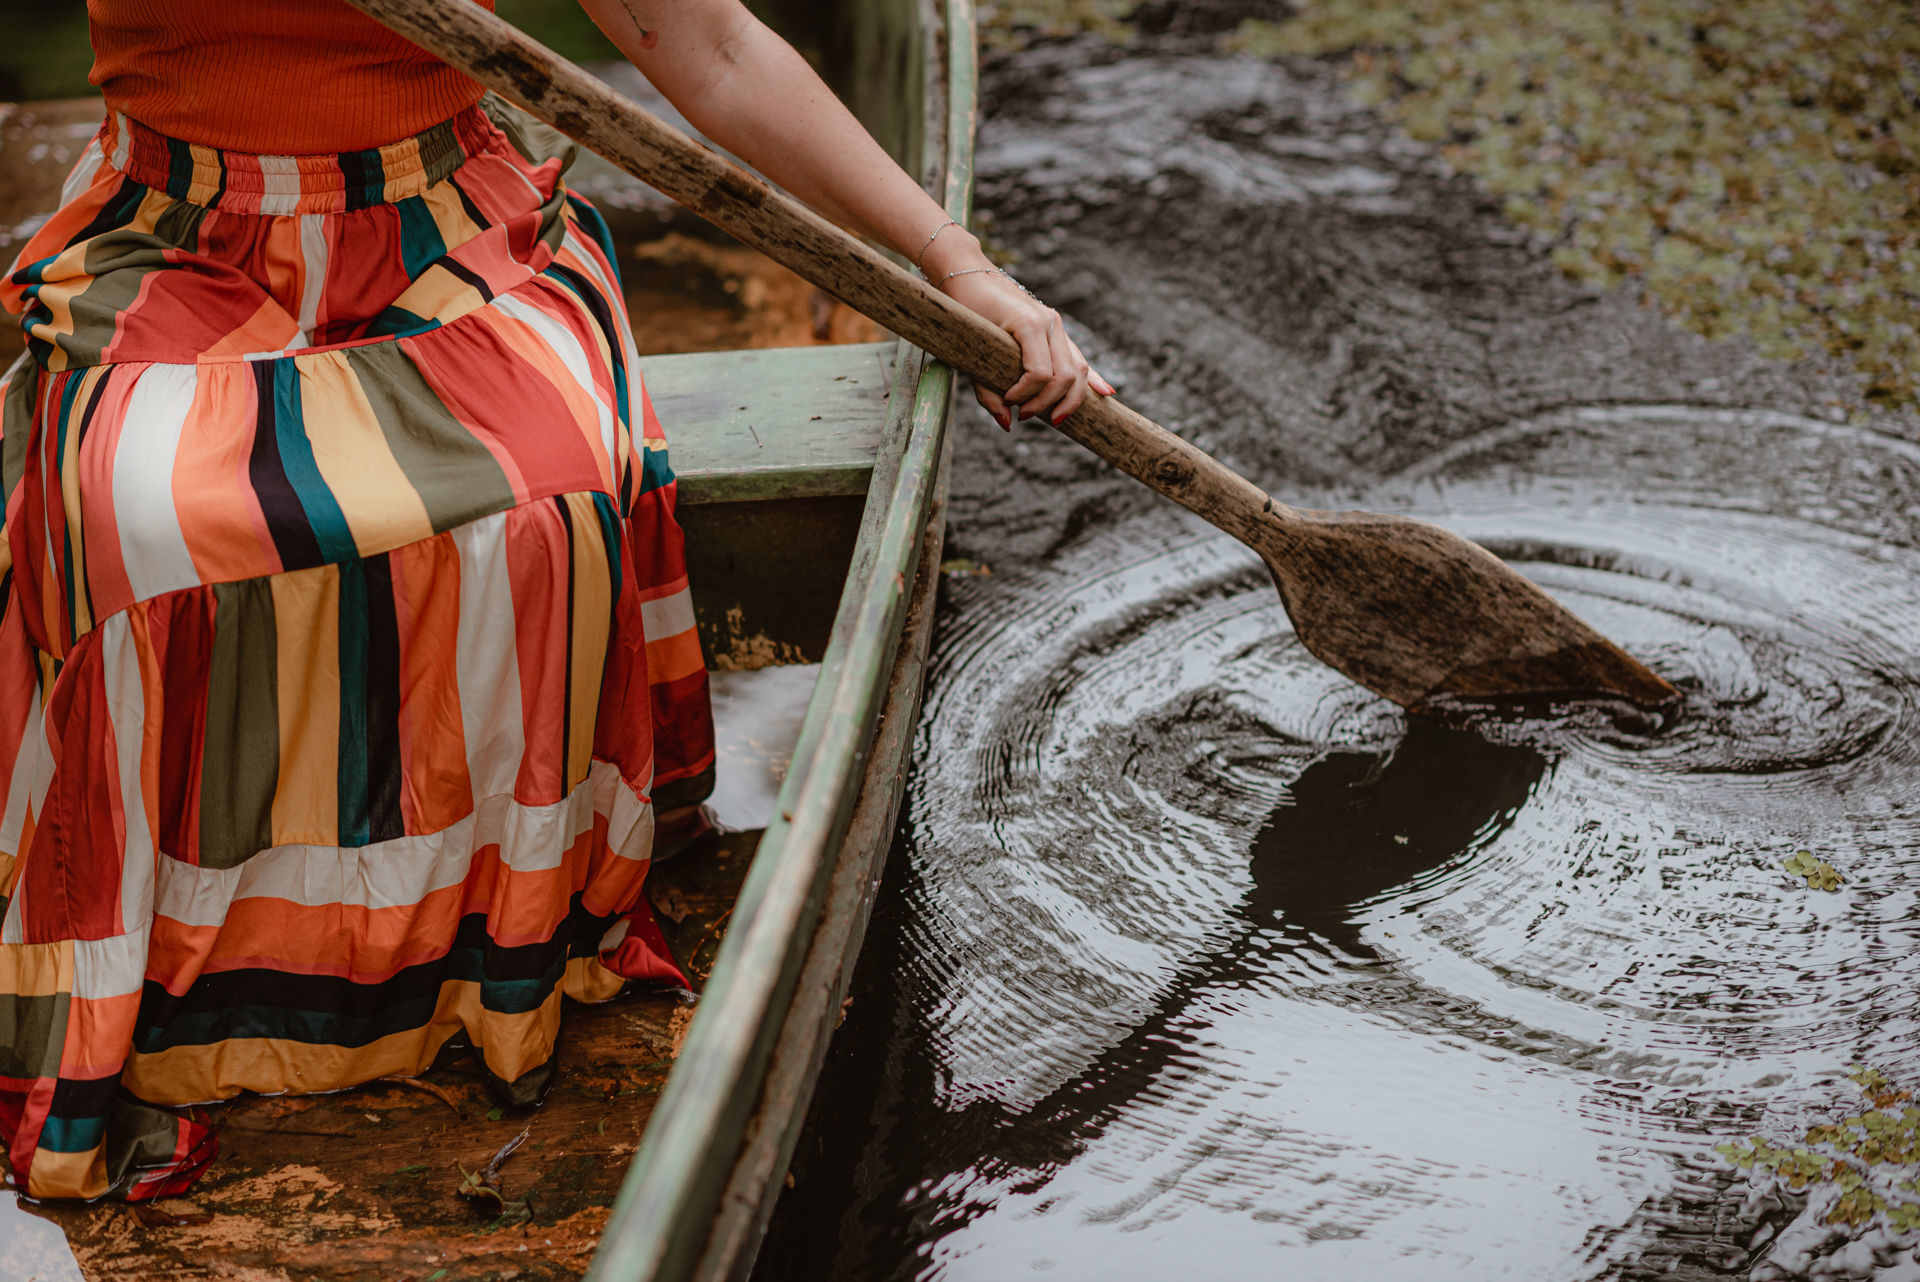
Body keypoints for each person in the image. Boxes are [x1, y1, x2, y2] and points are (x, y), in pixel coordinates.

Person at [0, 0, 1109, 1202]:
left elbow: (715, 49)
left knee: (549, 502)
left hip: (444, 225)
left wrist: (960, 267)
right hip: (175, 234)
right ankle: (173, 978)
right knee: (140, 519)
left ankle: (480, 950)